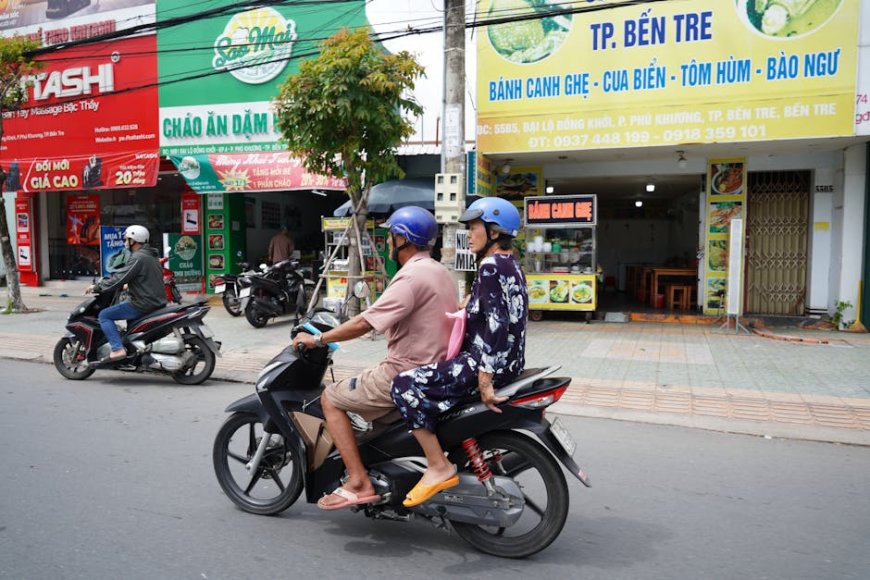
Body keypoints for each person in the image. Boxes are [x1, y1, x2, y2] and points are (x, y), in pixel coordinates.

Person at [292, 206, 456, 510]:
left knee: (331, 398)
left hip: (405, 372)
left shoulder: (410, 278)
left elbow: (364, 322)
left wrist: (318, 339)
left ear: (403, 239)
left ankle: (358, 480)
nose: (389, 242)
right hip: (436, 369)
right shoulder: (441, 272)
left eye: (391, 236)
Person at [390, 197, 528, 507]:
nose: (470, 233)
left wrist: (484, 378)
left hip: (484, 363)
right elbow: (502, 312)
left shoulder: (491, 266)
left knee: (403, 385)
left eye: (474, 227)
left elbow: (498, 322)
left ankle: (438, 466)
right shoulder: (510, 264)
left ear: (494, 232)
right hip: (511, 363)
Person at [85, 225, 167, 361]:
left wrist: (97, 287)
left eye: (127, 239)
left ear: (133, 240)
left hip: (143, 303)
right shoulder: (151, 256)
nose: (125, 242)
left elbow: (119, 278)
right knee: (129, 326)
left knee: (105, 315)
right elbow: (145, 279)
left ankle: (117, 349)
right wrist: (129, 286)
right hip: (155, 301)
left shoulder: (138, 258)